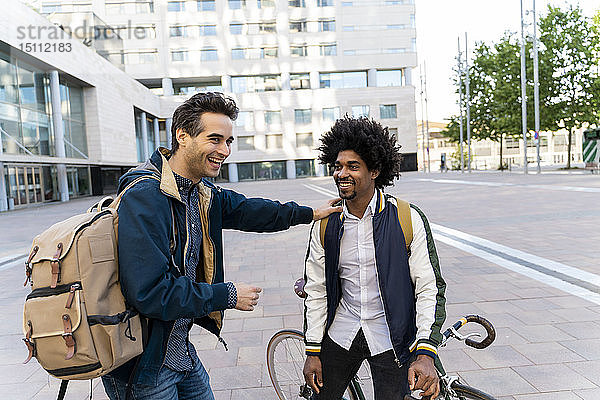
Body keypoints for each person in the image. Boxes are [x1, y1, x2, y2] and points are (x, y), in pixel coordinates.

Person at [102, 92, 341, 400]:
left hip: (179, 353)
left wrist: (310, 213)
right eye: (215, 139)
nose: (224, 150)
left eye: (228, 141)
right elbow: (151, 293)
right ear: (183, 136)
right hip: (144, 368)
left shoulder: (199, 192)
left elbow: (249, 210)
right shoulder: (147, 197)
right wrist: (226, 295)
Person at [302, 116, 447, 399]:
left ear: (375, 171)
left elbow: (430, 287)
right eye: (338, 166)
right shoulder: (325, 224)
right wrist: (312, 350)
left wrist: (426, 350)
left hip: (392, 339)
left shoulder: (407, 217)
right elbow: (316, 289)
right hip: (342, 330)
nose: (342, 174)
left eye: (353, 166)